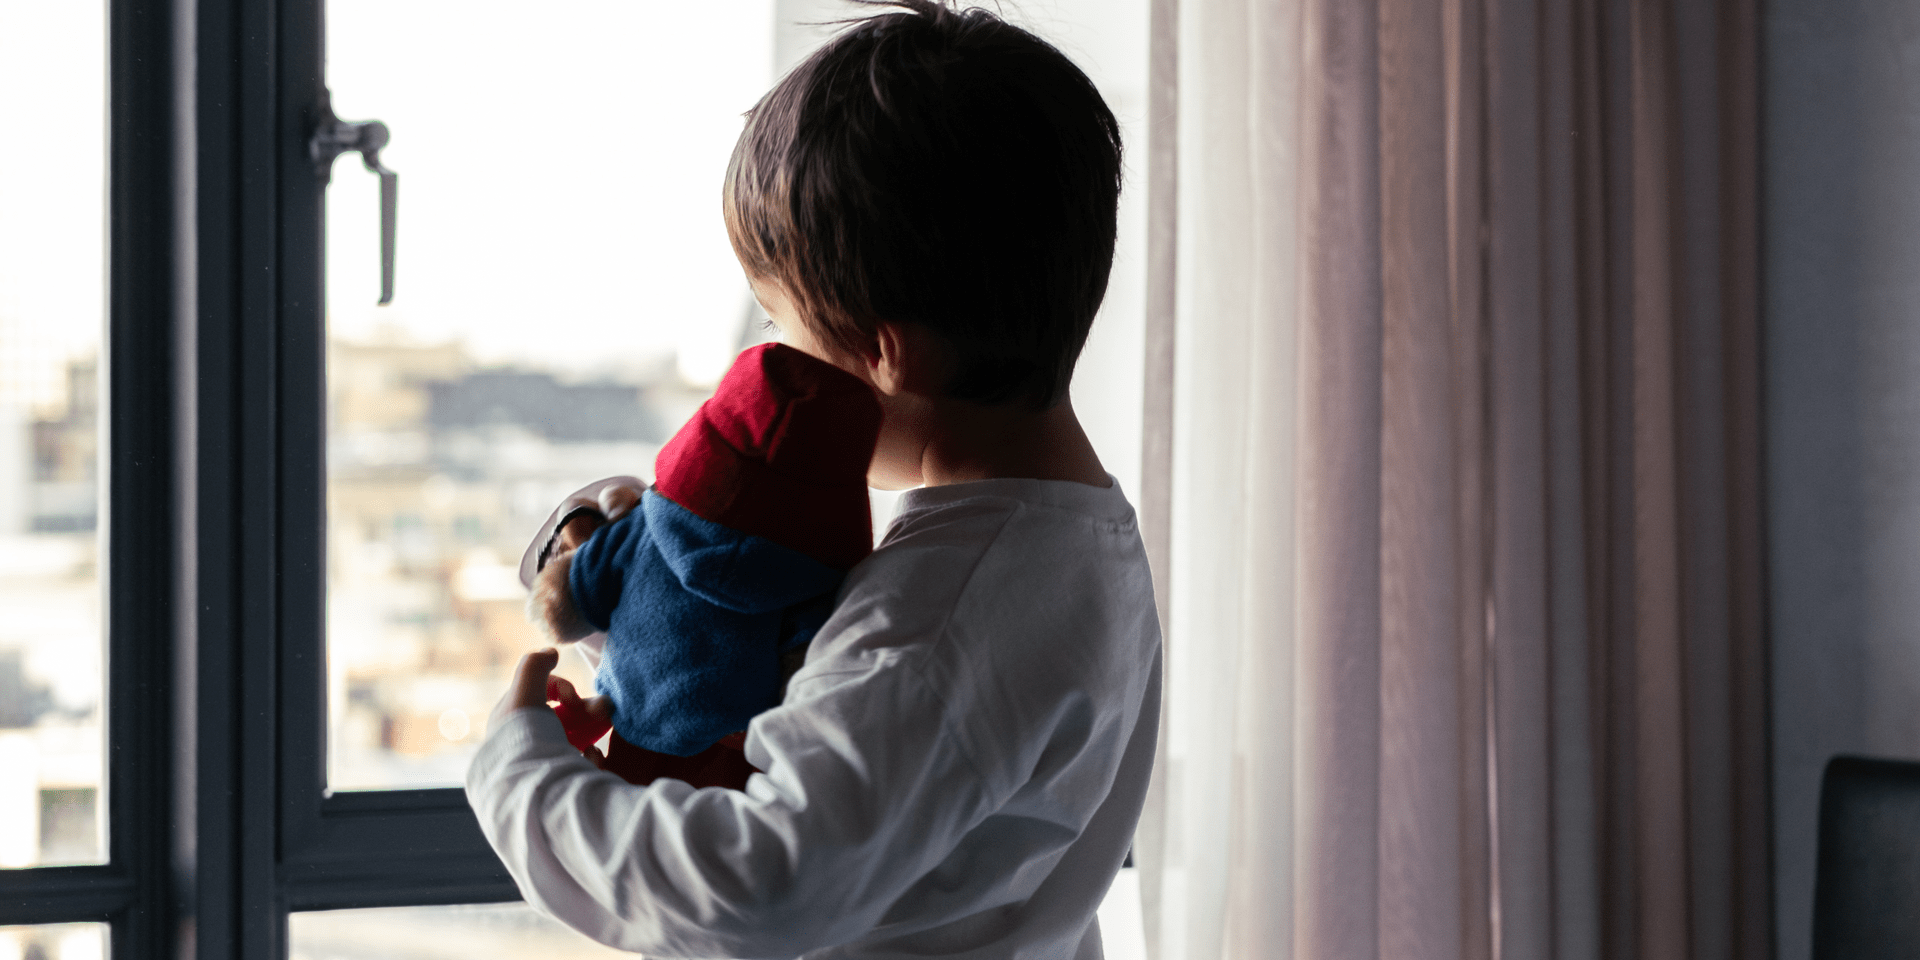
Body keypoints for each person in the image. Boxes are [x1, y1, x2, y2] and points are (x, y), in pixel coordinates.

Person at [464, 2, 1162, 956]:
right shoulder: (1075, 544)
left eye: (777, 319)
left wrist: (519, 780)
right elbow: (820, 710)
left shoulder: (939, 617)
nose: (765, 353)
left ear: (887, 357)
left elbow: (754, 890)